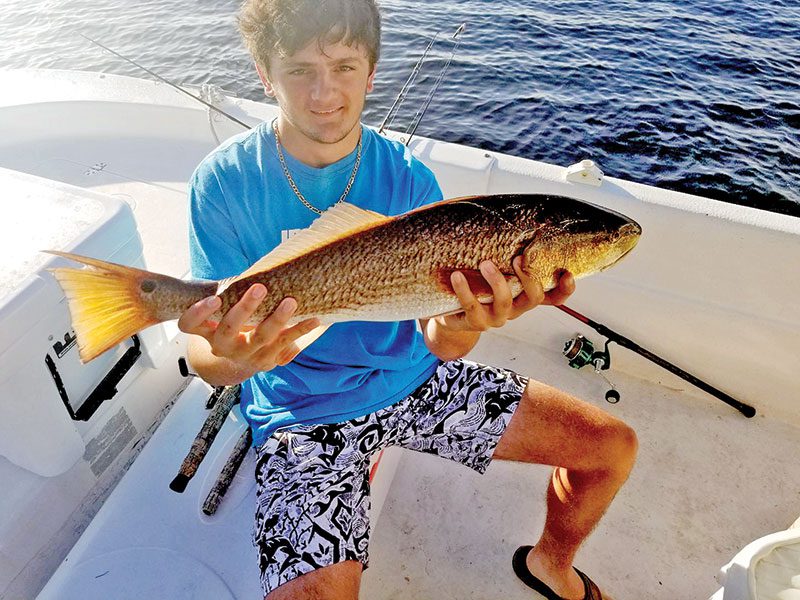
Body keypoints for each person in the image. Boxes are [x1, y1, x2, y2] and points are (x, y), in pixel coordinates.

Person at [178, 1, 638, 598]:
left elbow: (440, 342)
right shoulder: (222, 182)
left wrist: (472, 324)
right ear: (265, 74)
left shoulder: (409, 179)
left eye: (344, 67)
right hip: (304, 411)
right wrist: (242, 359)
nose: (324, 93)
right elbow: (203, 358)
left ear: (372, 73)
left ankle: (551, 562)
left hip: (416, 381)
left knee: (612, 448)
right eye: (299, 70)